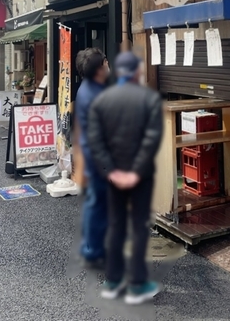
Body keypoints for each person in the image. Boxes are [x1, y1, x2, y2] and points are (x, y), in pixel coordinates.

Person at [88, 51, 163, 305]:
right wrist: (135, 172)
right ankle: (138, 285)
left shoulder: (103, 100)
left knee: (117, 224)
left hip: (113, 176)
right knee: (139, 226)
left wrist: (112, 171)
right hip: (139, 176)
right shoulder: (148, 99)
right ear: (137, 72)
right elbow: (151, 139)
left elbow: (96, 142)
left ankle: (113, 281)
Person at [74, 48, 110, 269]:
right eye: (106, 62)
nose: (108, 65)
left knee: (94, 205)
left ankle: (91, 249)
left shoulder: (87, 88)